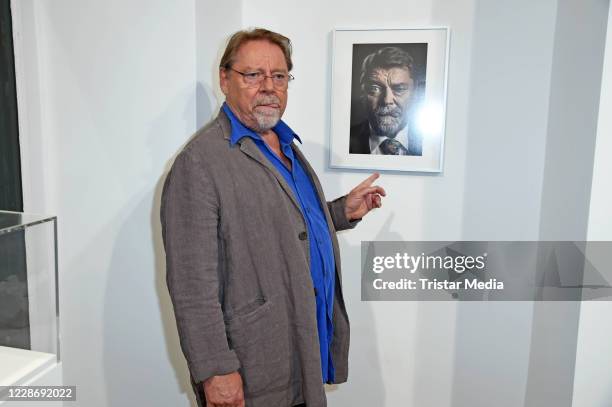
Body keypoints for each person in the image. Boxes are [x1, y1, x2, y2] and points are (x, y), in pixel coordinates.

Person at [160, 28, 386, 407]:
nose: (269, 87)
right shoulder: (199, 163)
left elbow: (277, 228)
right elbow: (191, 284)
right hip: (254, 363)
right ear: (225, 79)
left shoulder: (286, 146)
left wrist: (339, 212)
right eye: (253, 75)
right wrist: (216, 370)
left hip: (305, 342)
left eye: (279, 76)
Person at [349, 46, 422, 156]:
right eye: (375, 89)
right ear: (362, 93)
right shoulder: (344, 139)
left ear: (415, 92)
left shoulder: (430, 144)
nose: (387, 100)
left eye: (399, 89)